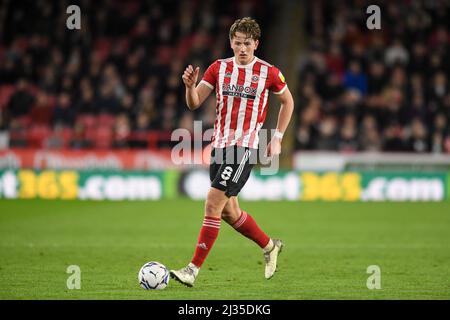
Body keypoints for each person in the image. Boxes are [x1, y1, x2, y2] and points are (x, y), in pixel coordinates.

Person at [170, 17, 294, 287]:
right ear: (231, 43)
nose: (242, 48)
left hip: (244, 147)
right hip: (220, 146)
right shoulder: (219, 68)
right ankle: (270, 246)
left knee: (213, 203)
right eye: (237, 43)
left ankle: (192, 269)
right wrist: (190, 87)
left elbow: (288, 101)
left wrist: (278, 137)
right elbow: (194, 104)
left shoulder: (268, 72)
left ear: (256, 44)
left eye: (247, 44)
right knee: (229, 212)